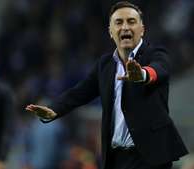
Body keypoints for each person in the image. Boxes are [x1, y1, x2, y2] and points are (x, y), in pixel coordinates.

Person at [25, 1, 188, 169]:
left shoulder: (155, 54)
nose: (125, 27)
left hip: (150, 158)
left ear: (142, 29)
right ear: (111, 31)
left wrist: (143, 75)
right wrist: (54, 110)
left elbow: (160, 69)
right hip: (116, 158)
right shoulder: (105, 65)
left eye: (131, 21)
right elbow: (79, 93)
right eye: (119, 22)